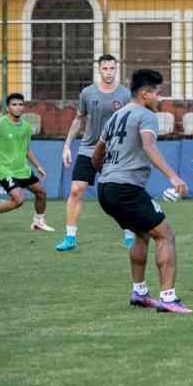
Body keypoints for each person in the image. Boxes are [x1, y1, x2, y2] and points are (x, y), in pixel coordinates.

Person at [93, 69, 191, 314]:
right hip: (126, 188)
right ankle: (168, 298)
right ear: (146, 94)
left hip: (106, 188)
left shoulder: (115, 116)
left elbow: (98, 151)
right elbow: (149, 145)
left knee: (142, 234)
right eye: (158, 93)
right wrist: (173, 175)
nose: (161, 98)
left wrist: (104, 173)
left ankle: (139, 292)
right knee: (165, 235)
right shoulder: (146, 116)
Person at [57, 54, 132, 251]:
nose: (109, 72)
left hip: (115, 150)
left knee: (120, 194)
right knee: (75, 190)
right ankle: (70, 238)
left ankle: (129, 234)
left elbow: (131, 122)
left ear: (117, 69)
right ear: (98, 69)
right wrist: (67, 144)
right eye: (105, 68)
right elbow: (78, 119)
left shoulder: (125, 95)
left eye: (112, 68)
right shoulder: (87, 93)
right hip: (89, 148)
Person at [0, 93, 53, 233]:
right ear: (8, 108)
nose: (18, 107)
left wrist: (38, 166)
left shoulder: (26, 127)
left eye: (21, 104)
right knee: (18, 200)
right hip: (4, 170)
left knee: (41, 193)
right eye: (14, 105)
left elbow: (26, 150)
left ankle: (38, 222)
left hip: (22, 169)